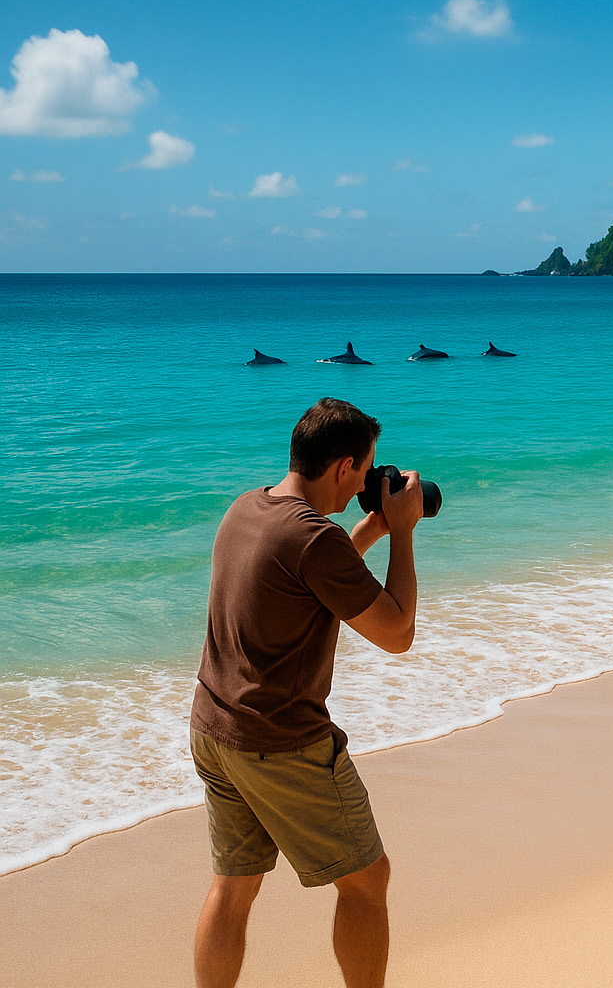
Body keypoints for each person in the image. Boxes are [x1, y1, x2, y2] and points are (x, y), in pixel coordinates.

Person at [188, 398, 424, 988]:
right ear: (344, 466)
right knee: (367, 881)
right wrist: (404, 535)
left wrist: (370, 528)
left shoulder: (248, 506)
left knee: (234, 885)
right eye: (367, 469)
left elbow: (308, 571)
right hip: (281, 741)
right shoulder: (316, 540)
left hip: (216, 730)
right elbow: (397, 633)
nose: (368, 482)